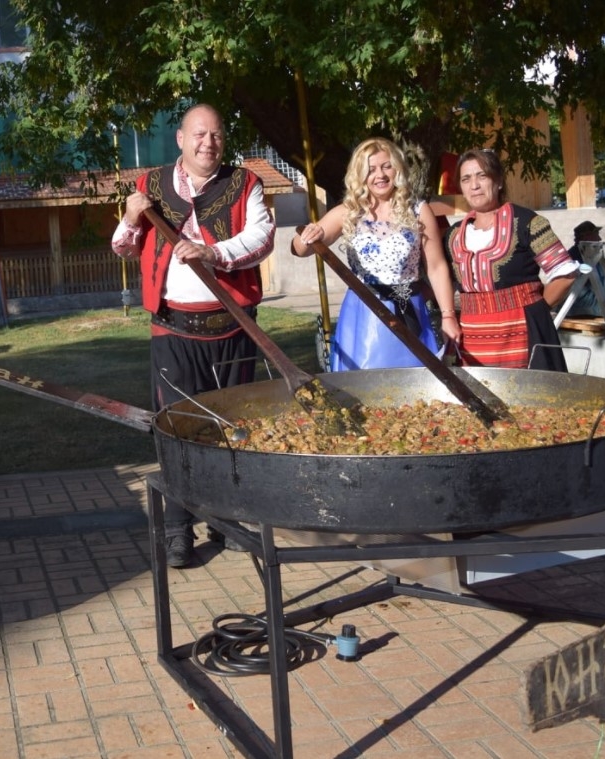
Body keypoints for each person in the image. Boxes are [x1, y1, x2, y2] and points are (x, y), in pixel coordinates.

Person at [110, 104, 275, 566]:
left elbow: (261, 238)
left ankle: (227, 520)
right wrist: (130, 217)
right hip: (173, 329)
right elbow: (122, 247)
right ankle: (177, 529)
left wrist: (211, 252)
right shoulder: (149, 185)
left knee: (234, 428)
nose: (209, 143)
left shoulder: (246, 183)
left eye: (216, 135)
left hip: (233, 328)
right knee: (177, 429)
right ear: (181, 139)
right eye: (199, 134)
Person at [291, 138, 460, 369]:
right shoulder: (349, 212)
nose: (380, 175)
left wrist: (448, 316)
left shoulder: (418, 210)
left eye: (386, 166)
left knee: (416, 379)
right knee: (363, 381)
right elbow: (300, 250)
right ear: (360, 175)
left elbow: (436, 267)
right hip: (363, 313)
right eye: (371, 169)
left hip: (409, 310)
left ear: (398, 169)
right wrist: (309, 234)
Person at [444, 148, 578, 369]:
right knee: (476, 390)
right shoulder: (454, 235)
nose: (474, 185)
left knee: (528, 391)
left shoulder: (527, 223)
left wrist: (536, 313)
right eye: (466, 179)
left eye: (482, 176)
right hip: (472, 340)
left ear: (498, 181)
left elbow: (565, 274)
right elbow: (443, 280)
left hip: (521, 334)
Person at [566, 220, 604, 317]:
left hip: (579, 304)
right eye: (596, 234)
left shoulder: (578, 253)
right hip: (581, 306)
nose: (599, 239)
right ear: (587, 237)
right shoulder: (580, 256)